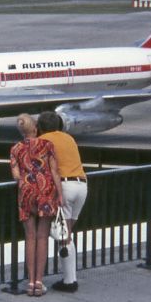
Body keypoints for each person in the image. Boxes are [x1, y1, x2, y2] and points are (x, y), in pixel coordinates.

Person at [10, 113, 63, 296]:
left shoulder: (15, 148)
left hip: (26, 192)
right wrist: (60, 195)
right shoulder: (47, 145)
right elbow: (55, 171)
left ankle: (30, 282)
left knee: (30, 237)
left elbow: (16, 175)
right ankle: (39, 282)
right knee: (42, 237)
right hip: (45, 190)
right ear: (35, 128)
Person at [37, 111, 88, 292]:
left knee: (62, 234)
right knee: (67, 232)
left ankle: (70, 282)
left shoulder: (43, 141)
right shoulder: (69, 138)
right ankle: (69, 278)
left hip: (64, 187)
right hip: (81, 185)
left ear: (40, 127)